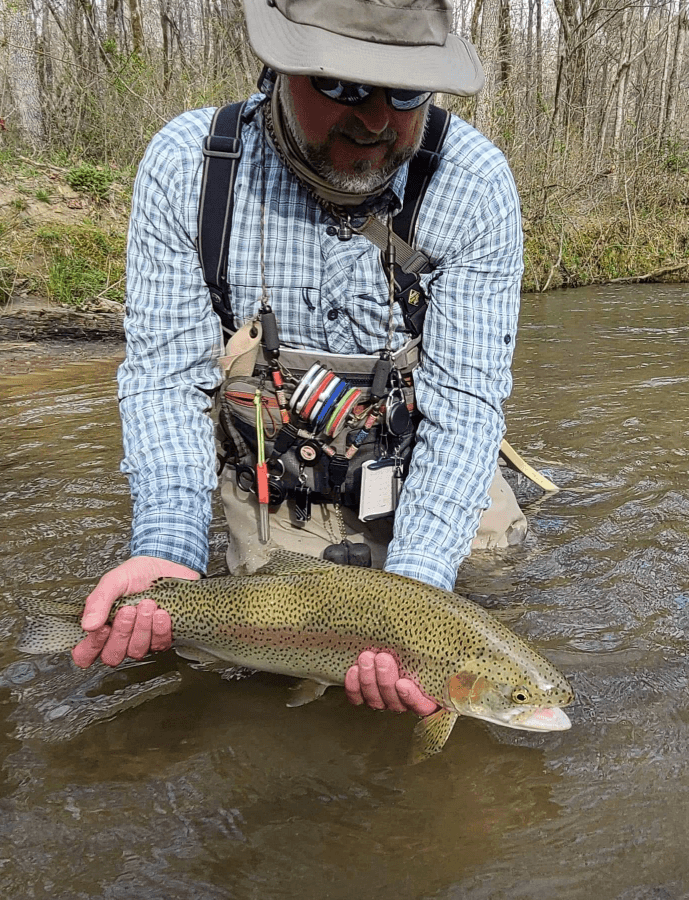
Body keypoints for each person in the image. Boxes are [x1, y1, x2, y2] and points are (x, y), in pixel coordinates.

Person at [75, 0, 526, 715]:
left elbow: (465, 406)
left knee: (496, 602)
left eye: (406, 93)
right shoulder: (191, 164)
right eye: (341, 87)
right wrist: (168, 546)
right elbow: (166, 381)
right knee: (257, 672)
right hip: (275, 474)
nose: (376, 121)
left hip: (423, 466)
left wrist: (414, 604)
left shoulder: (472, 182)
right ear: (280, 68)